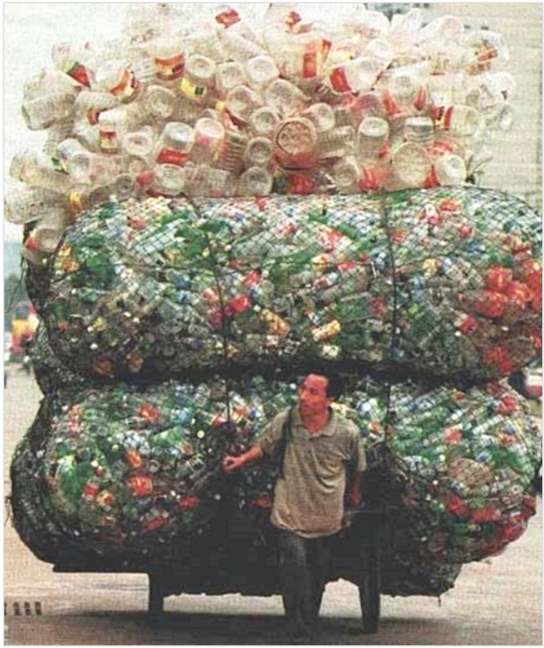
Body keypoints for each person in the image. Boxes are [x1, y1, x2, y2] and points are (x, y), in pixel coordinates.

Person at [222, 372, 366, 641]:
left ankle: (307, 622)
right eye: (303, 389)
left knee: (317, 572)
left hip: (325, 514)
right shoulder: (289, 420)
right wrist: (241, 460)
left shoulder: (347, 432)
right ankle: (295, 623)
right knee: (294, 563)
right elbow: (265, 446)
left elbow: (358, 466)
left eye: (313, 392)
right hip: (290, 508)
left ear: (330, 399)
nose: (303, 396)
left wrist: (354, 494)